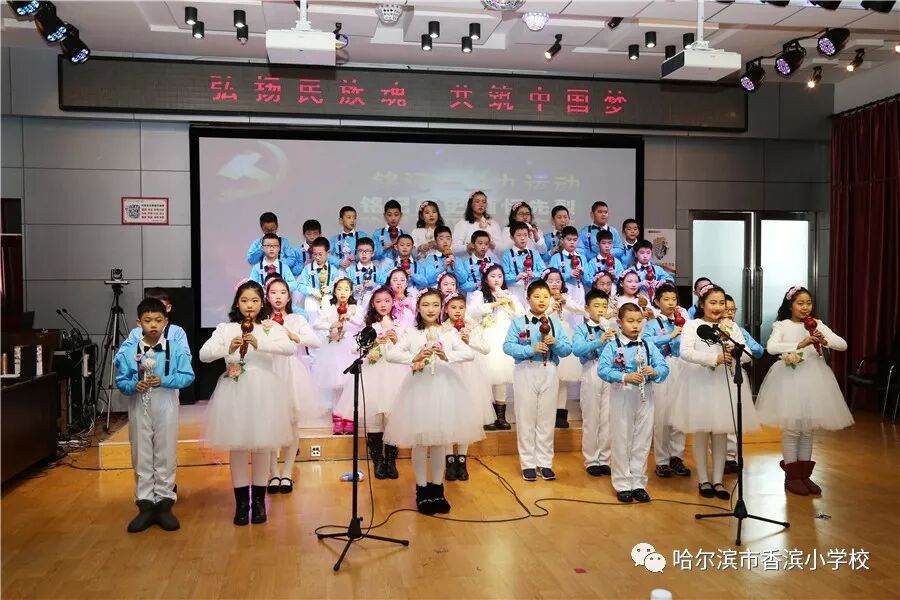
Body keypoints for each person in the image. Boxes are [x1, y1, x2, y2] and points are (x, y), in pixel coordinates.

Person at [199, 280, 296, 526]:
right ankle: (242, 504)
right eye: (244, 300)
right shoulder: (226, 328)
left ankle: (259, 503)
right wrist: (226, 347)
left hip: (264, 392)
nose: (249, 305)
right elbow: (203, 354)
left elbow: (289, 348)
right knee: (238, 447)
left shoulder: (269, 326)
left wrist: (259, 343)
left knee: (262, 446)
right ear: (236, 304)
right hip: (235, 391)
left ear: (262, 303)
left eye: (254, 300)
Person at [384, 289, 483, 514]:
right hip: (418, 391)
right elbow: (391, 355)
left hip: (444, 389)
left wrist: (447, 355)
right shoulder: (411, 333)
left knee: (440, 442)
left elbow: (468, 354)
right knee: (420, 442)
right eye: (426, 305)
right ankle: (421, 489)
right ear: (418, 308)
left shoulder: (448, 332)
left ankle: (438, 488)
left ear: (441, 308)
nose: (431, 309)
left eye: (435, 305)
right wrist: (414, 357)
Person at [756, 286, 853, 496]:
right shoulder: (782, 325)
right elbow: (772, 347)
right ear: (790, 305)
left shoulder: (817, 324)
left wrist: (824, 340)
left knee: (808, 430)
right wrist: (800, 343)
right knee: (792, 429)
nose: (805, 307)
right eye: (800, 303)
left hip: (815, 379)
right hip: (790, 380)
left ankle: (804, 475)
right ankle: (792, 476)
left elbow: (843, 345)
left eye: (808, 303)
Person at [670, 283, 760, 501]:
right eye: (713, 302)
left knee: (721, 434)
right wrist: (713, 358)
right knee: (701, 433)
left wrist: (734, 352)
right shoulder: (693, 325)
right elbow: (686, 352)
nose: (718, 307)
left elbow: (747, 353)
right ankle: (704, 480)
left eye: (721, 303)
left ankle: (718, 480)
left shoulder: (731, 326)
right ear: (702, 304)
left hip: (724, 383)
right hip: (699, 383)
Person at [115, 298, 195, 533]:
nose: (153, 325)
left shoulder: (175, 348)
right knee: (141, 452)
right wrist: (133, 385)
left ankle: (164, 501)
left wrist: (166, 380)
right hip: (139, 404)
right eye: (148, 320)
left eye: (158, 320)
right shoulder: (130, 350)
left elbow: (187, 375)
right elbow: (121, 380)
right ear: (138, 323)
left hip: (166, 403)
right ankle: (145, 503)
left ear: (165, 322)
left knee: (165, 451)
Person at [502, 280, 573, 481]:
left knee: (546, 419)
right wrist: (529, 349)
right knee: (526, 418)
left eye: (545, 296)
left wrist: (555, 343)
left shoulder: (554, 323)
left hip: (549, 369)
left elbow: (567, 350)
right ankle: (528, 463)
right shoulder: (518, 322)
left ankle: (545, 462)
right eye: (537, 296)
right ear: (528, 299)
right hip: (526, 369)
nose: (542, 300)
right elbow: (507, 346)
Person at [334, 287, 408, 479]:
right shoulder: (369, 326)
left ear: (393, 303)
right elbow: (354, 349)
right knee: (374, 417)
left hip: (394, 375)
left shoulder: (400, 325)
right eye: (378, 301)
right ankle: (377, 460)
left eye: (387, 301)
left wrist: (396, 340)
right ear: (373, 304)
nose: (383, 305)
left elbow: (408, 351)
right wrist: (372, 343)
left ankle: (391, 460)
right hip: (372, 374)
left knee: (391, 418)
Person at [598, 303, 668, 503]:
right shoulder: (613, 345)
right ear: (619, 323)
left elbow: (663, 367)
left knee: (643, 439)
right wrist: (624, 376)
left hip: (646, 394)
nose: (635, 326)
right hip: (623, 393)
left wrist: (655, 371)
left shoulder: (648, 345)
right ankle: (622, 483)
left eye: (639, 321)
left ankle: (638, 482)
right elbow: (602, 369)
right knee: (622, 438)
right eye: (630, 321)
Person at [264, 277, 321, 493]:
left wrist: (292, 335)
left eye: (282, 292)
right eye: (273, 293)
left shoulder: (297, 319)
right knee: (269, 425)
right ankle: (273, 474)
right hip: (269, 372)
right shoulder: (263, 320)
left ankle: (287, 472)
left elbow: (315, 341)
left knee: (292, 424)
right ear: (267, 296)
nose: (278, 297)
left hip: (292, 373)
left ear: (289, 297)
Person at [442, 294, 494, 481]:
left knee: (466, 418)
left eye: (461, 307)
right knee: (448, 417)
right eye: (453, 307)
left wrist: (469, 340)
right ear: (446, 309)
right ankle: (449, 460)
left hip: (469, 377)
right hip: (448, 375)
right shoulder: (442, 328)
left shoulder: (472, 327)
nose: (457, 311)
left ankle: (462, 460)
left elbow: (486, 349)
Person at [641, 283, 691, 479]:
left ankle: (677, 456)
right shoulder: (652, 324)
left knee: (680, 414)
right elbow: (645, 342)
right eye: (666, 299)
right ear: (657, 301)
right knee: (661, 415)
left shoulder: (684, 323)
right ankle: (662, 460)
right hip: (661, 368)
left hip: (682, 367)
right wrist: (669, 336)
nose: (671, 303)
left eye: (674, 299)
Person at [468, 264, 524, 431]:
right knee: (486, 377)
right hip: (486, 338)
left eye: (500, 276)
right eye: (493, 276)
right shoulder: (479, 294)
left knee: (501, 377)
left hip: (503, 338)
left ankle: (501, 416)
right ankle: (487, 416)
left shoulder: (509, 294)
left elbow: (520, 315)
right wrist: (494, 303)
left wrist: (508, 302)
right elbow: (472, 312)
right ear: (486, 279)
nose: (497, 279)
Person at [572, 289, 617, 477]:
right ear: (587, 308)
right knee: (591, 418)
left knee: (607, 418)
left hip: (610, 372)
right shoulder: (582, 329)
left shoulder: (611, 327)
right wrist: (599, 341)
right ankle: (591, 459)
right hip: (591, 369)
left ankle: (604, 459)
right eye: (596, 306)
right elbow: (577, 349)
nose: (601, 310)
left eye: (604, 306)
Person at [722, 294, 764, 474]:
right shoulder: (709, 328)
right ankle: (719, 457)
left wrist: (738, 349)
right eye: (727, 309)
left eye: (733, 310)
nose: (730, 313)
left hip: (735, 375)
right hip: (716, 376)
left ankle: (731, 457)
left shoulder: (739, 330)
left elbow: (757, 351)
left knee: (734, 418)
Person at [312, 278, 360, 435]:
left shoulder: (354, 308)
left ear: (351, 292)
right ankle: (337, 420)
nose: (342, 292)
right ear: (334, 291)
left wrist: (350, 318)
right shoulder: (330, 308)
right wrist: (331, 325)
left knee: (349, 385)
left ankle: (349, 419)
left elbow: (362, 324)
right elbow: (316, 323)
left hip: (349, 349)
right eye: (339, 289)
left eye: (346, 289)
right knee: (335, 385)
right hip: (333, 349)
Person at [543, 268, 587, 429]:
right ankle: (546, 414)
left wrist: (565, 302)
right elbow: (538, 315)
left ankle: (560, 414)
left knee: (562, 380)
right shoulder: (542, 298)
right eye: (550, 281)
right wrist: (551, 307)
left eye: (558, 280)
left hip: (564, 337)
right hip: (547, 336)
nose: (554, 284)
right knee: (547, 379)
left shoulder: (565, 297)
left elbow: (580, 309)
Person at [122, 288, 190, 357]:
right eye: (150, 306)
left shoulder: (176, 332)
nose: (153, 325)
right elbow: (121, 357)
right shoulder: (136, 333)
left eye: (160, 306)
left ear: (168, 308)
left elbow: (185, 357)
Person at [297, 237, 341, 324]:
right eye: (315, 254)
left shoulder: (334, 270)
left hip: (328, 299)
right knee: (312, 323)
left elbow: (338, 287)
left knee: (328, 323)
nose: (317, 257)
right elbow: (300, 286)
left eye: (320, 254)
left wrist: (330, 289)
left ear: (328, 253)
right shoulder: (307, 268)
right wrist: (312, 291)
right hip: (311, 300)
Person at [502, 221, 546, 306]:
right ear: (512, 237)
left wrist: (534, 274)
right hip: (514, 291)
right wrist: (516, 277)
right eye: (519, 235)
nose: (522, 238)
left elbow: (544, 271)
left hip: (533, 290)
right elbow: (503, 276)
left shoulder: (534, 253)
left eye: (525, 235)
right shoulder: (507, 255)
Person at [548, 225, 591, 308]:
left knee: (579, 312)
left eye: (575, 240)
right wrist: (568, 274)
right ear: (562, 240)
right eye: (569, 239)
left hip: (579, 289)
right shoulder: (556, 258)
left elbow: (587, 279)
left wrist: (582, 273)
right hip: (563, 290)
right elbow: (551, 278)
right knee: (565, 313)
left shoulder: (582, 258)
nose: (572, 242)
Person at [452, 191, 503, 260]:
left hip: (491, 263)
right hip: (469, 263)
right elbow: (454, 249)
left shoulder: (493, 223)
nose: (481, 204)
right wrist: (467, 247)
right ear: (471, 204)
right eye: (477, 201)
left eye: (484, 202)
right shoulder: (462, 224)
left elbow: (501, 249)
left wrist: (492, 244)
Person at [329, 206, 368, 270]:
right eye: (349, 217)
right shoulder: (334, 239)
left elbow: (369, 252)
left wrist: (356, 257)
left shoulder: (362, 236)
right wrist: (339, 262)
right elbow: (326, 255)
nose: (352, 220)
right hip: (339, 271)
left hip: (358, 271)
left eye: (354, 218)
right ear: (341, 220)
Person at [344, 237, 379, 305]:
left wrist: (374, 285)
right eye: (360, 251)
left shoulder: (378, 272)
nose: (364, 254)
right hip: (355, 305)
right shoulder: (351, 272)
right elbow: (346, 289)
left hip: (374, 305)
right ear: (356, 252)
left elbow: (384, 289)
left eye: (367, 251)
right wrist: (355, 288)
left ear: (372, 253)